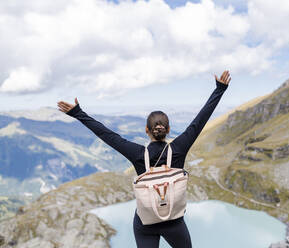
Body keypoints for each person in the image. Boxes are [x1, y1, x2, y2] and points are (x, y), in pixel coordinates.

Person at [57, 70, 231, 248]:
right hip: (174, 222)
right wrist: (220, 89)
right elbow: (200, 120)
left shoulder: (138, 154)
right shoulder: (179, 148)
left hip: (145, 222)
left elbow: (106, 134)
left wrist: (78, 113)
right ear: (168, 129)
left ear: (146, 131)